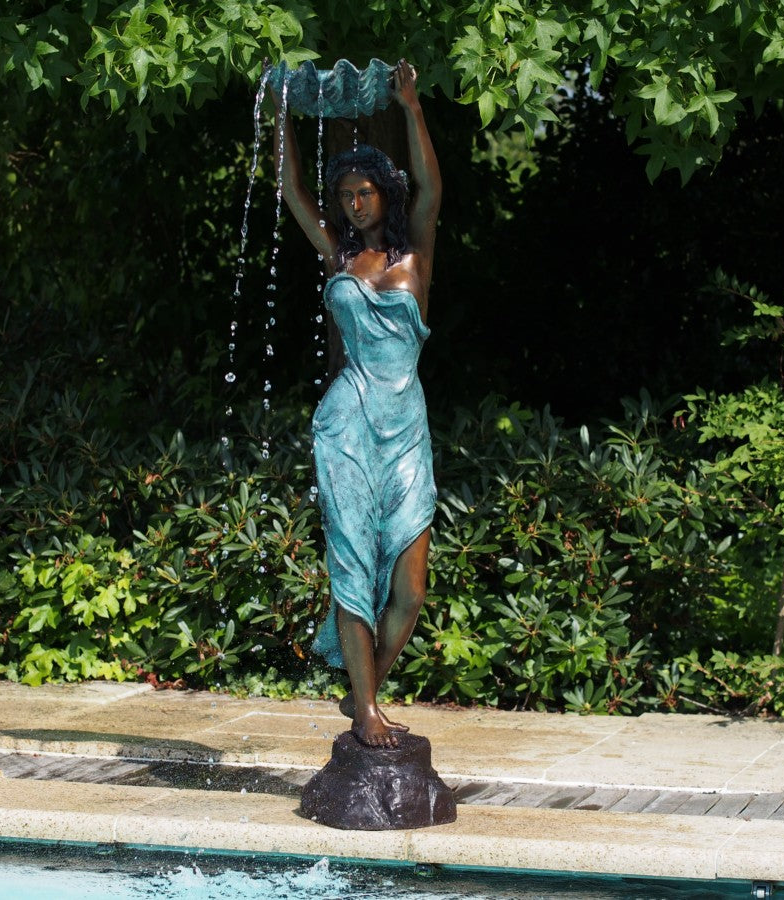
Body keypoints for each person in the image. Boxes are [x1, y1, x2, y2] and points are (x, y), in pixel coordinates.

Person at [272, 59, 441, 748]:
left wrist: (411, 107)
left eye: (363, 193)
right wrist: (279, 112)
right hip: (347, 425)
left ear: (384, 193)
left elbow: (432, 188)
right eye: (344, 196)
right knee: (350, 566)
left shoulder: (414, 257)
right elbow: (289, 189)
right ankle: (368, 710)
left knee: (411, 589)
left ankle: (363, 690)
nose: (353, 205)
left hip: (405, 429)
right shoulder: (339, 259)